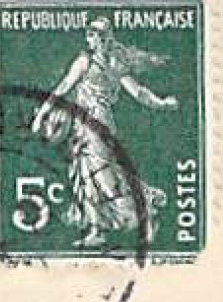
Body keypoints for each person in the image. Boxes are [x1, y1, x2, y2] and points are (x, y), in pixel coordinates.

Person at [29, 16, 179, 248]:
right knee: (86, 175)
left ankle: (145, 213)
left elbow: (138, 92)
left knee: (104, 177)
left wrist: (161, 103)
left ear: (106, 38)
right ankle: (96, 229)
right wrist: (42, 115)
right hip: (83, 123)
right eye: (90, 35)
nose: (92, 39)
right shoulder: (84, 61)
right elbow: (63, 88)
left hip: (98, 122)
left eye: (97, 35)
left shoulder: (113, 63)